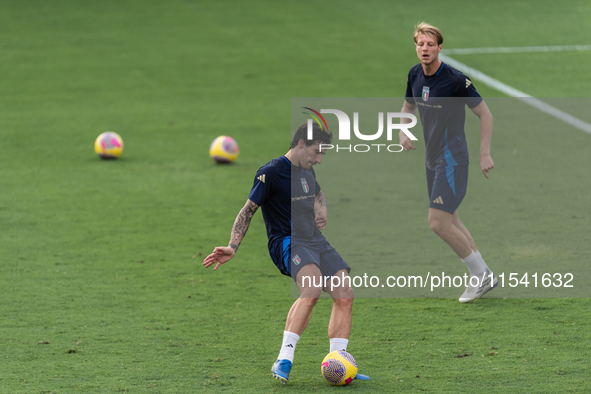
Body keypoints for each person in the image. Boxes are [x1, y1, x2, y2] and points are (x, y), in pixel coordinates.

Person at [203, 123, 369, 383]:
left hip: (315, 240)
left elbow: (318, 193)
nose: (319, 159)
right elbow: (248, 210)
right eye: (317, 152)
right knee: (312, 289)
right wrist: (232, 246)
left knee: (345, 293)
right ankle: (284, 359)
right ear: (301, 143)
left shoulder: (307, 169)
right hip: (287, 241)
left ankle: (339, 361)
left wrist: (322, 208)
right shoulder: (271, 173)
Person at [399, 22, 497, 303]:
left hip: (452, 159)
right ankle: (484, 273)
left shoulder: (455, 80)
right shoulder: (415, 74)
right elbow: (408, 105)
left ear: (440, 48)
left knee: (438, 222)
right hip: (432, 160)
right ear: (416, 47)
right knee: (451, 218)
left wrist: (484, 154)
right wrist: (403, 130)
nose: (425, 49)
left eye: (431, 44)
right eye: (421, 44)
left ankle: (479, 275)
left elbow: (485, 115)